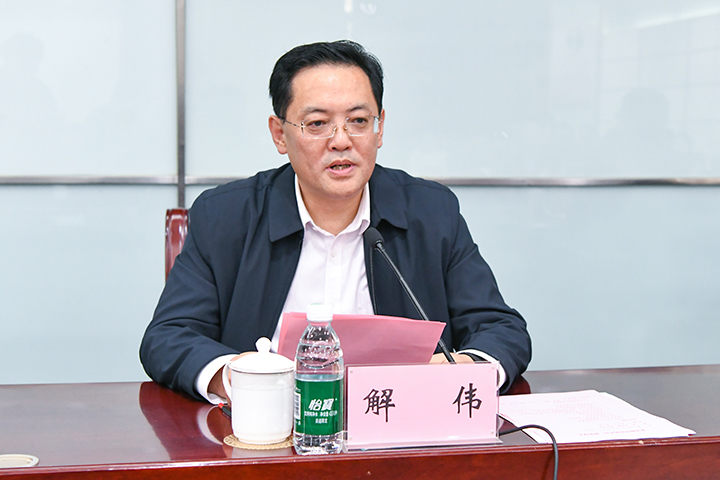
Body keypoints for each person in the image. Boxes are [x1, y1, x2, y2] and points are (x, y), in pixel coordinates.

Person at [140, 40, 531, 403]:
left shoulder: (430, 212)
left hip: (399, 425)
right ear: (280, 135)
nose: (341, 140)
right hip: (269, 430)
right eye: (317, 124)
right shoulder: (226, 216)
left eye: (358, 121)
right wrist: (238, 378)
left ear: (380, 128)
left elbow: (501, 329)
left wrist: (463, 368)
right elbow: (169, 336)